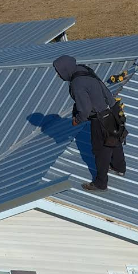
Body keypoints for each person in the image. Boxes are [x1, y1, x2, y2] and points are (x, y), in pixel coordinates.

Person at [53, 55, 126, 191]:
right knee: (115, 139)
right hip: (113, 110)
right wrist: (113, 107)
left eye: (58, 71)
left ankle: (100, 183)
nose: (58, 75)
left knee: (101, 150)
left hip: (100, 119)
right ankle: (119, 167)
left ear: (65, 69)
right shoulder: (84, 70)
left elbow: (85, 110)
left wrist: (77, 120)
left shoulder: (77, 84)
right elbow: (103, 88)